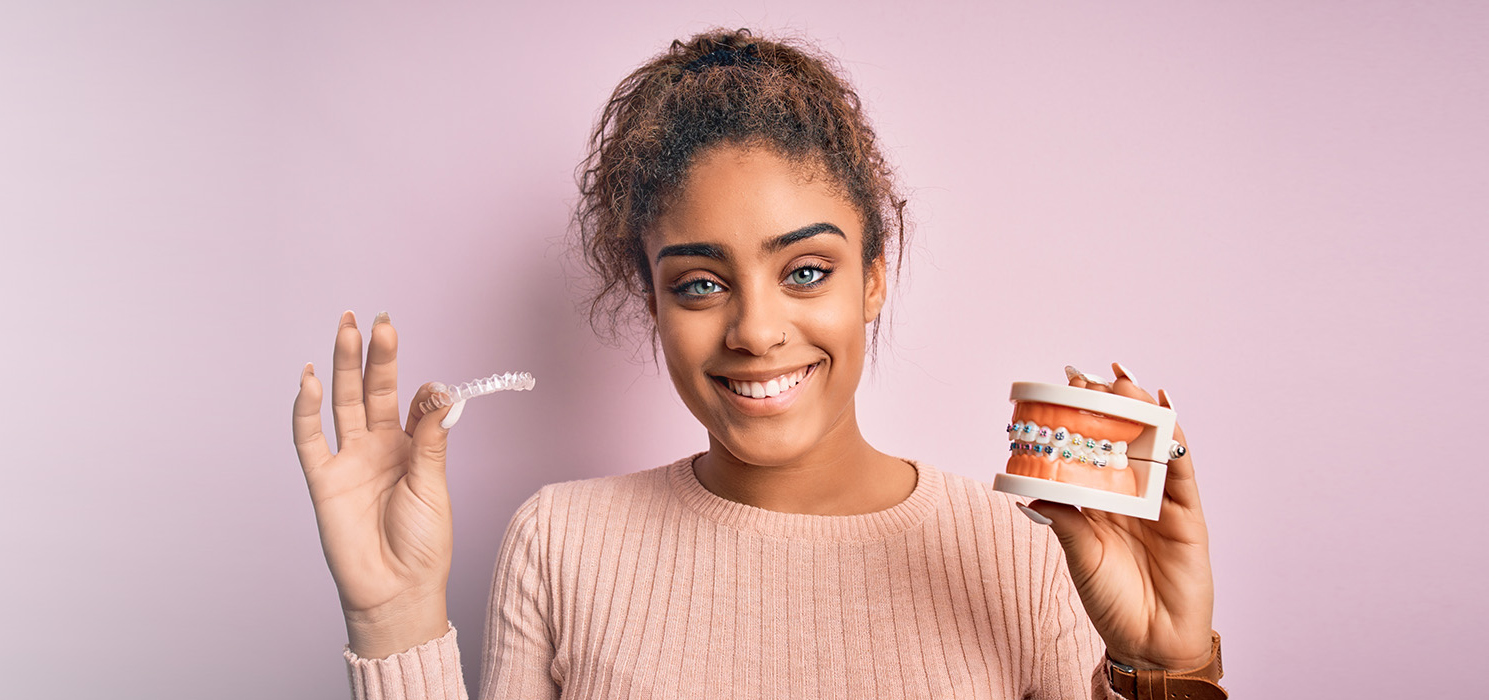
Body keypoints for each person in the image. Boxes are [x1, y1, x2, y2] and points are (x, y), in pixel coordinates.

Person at [289, 28, 1221, 700]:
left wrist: (1165, 671)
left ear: (874, 278)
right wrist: (397, 620)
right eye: (699, 284)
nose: (756, 330)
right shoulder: (561, 544)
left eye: (806, 271)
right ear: (651, 301)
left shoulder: (1025, 552)